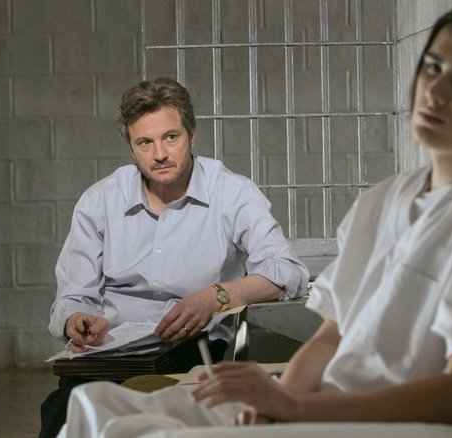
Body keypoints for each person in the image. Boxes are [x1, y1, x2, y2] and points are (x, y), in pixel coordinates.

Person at [57, 3, 452, 437]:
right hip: (320, 404)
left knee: (129, 431)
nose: (436, 90)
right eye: (433, 66)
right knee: (95, 405)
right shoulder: (389, 197)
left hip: (376, 421)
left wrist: (294, 408)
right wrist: (275, 408)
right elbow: (329, 338)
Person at [38, 77, 309, 438]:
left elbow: (287, 272)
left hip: (197, 350)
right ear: (131, 147)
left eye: (171, 137)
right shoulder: (99, 201)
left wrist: (216, 296)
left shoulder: (232, 193)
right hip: (113, 354)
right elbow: (72, 297)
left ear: (191, 136)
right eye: (145, 142)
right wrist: (77, 319)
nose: (160, 154)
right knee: (64, 414)